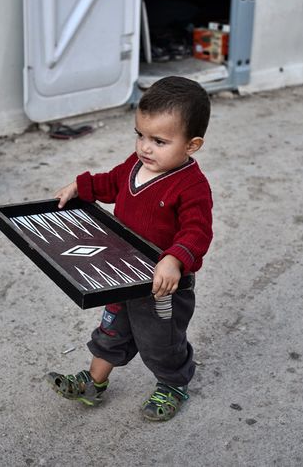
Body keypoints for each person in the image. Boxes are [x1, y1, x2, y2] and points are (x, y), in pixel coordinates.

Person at [48, 76, 214, 421]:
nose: (145, 148)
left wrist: (174, 258)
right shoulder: (136, 165)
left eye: (159, 141)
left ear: (192, 145)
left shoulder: (192, 186)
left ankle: (174, 383)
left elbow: (197, 232)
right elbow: (111, 183)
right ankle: (94, 382)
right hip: (123, 274)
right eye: (140, 135)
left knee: (160, 342)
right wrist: (80, 186)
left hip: (162, 286)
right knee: (111, 332)